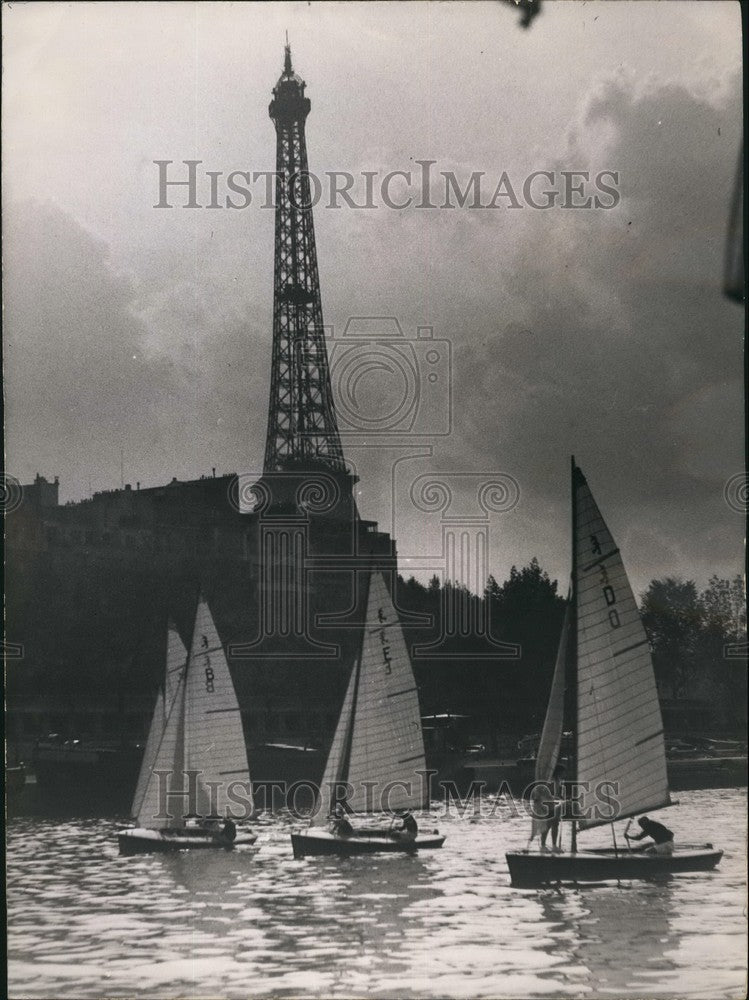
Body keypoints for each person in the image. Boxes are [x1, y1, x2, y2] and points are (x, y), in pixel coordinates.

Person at [528, 763, 565, 853]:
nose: (564, 774)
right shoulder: (549, 781)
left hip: (555, 806)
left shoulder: (558, 780)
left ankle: (554, 845)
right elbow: (543, 793)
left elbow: (557, 794)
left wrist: (561, 798)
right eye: (562, 772)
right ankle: (543, 845)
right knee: (547, 826)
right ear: (558, 772)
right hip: (548, 806)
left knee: (555, 825)